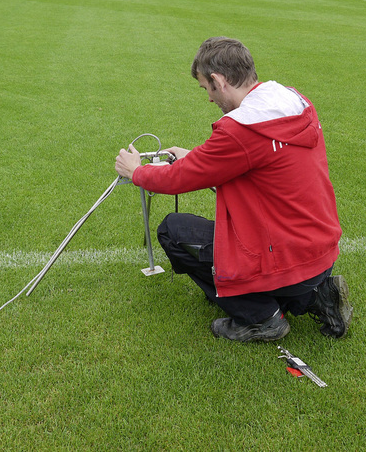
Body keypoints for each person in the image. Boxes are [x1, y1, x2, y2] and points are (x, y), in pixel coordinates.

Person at [115, 37, 353, 343]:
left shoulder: (241, 129)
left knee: (173, 230)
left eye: (206, 89)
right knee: (253, 245)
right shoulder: (294, 102)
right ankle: (314, 296)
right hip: (319, 252)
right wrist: (195, 158)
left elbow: (179, 179)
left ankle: (261, 316)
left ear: (218, 81)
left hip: (284, 256)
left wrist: (137, 171)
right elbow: (255, 167)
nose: (210, 99)